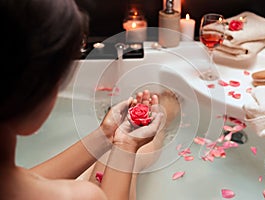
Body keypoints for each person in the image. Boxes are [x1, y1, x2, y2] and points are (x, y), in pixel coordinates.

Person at [0, 0, 164, 199]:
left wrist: (106, 135)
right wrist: (126, 145)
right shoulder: (82, 195)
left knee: (107, 158)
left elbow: (24, 179)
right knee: (130, 158)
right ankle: (166, 114)